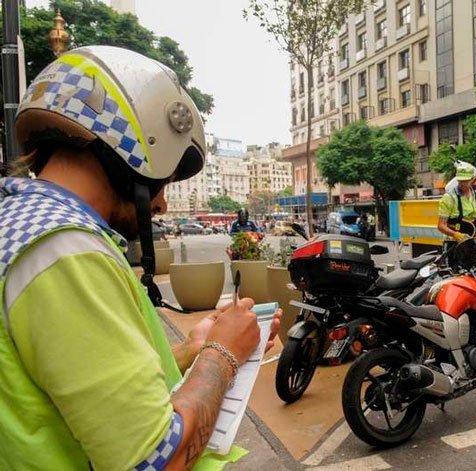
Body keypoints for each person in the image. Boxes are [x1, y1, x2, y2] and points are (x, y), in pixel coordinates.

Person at [0, 46, 280, 471]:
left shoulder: (26, 226)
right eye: (163, 183)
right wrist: (224, 353)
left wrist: (190, 350)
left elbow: (75, 384)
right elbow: (154, 460)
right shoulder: (65, 253)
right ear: (131, 157)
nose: (163, 204)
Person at [437, 162, 476, 252]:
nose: (462, 183)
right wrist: (455, 235)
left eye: (466, 180)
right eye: (460, 180)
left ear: (473, 179)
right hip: (452, 243)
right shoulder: (449, 198)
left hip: (470, 242)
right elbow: (441, 226)